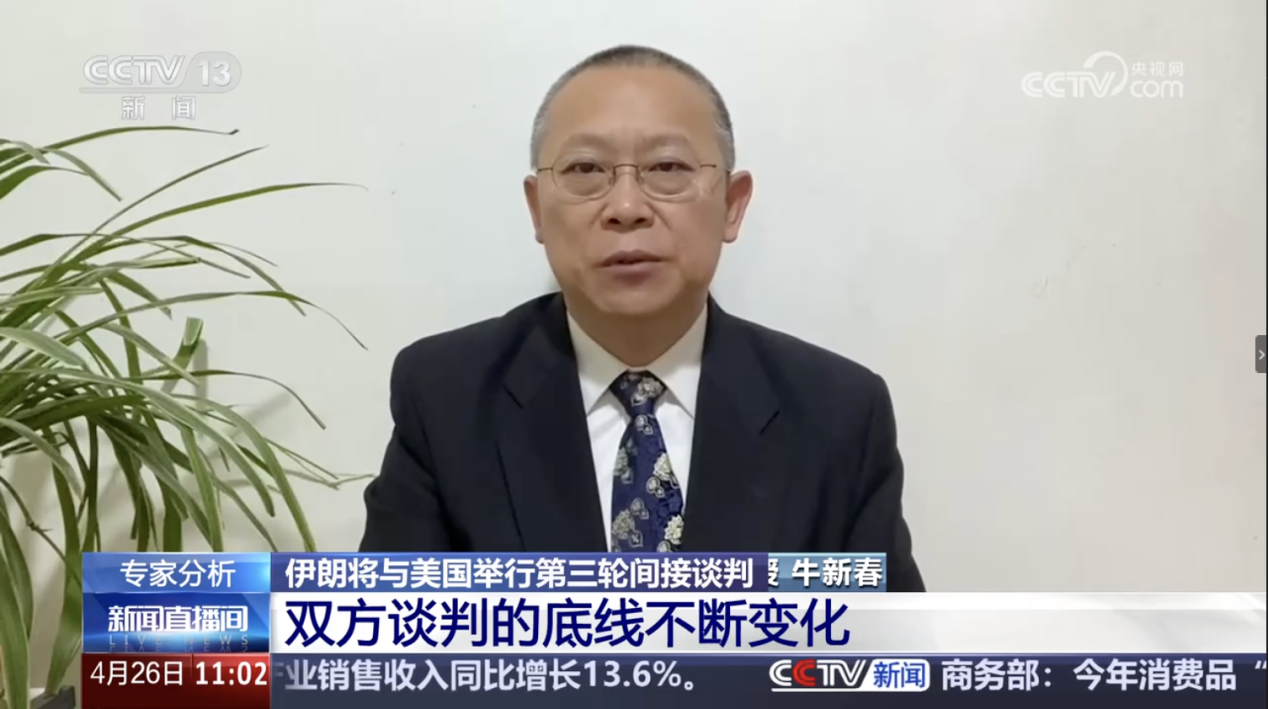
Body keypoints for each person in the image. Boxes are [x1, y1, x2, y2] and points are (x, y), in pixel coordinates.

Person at [359, 44, 925, 591]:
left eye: (667, 167)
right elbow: (391, 637)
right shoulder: (447, 398)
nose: (626, 208)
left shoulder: (839, 414)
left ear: (732, 205)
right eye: (585, 169)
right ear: (537, 209)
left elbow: (887, 646)